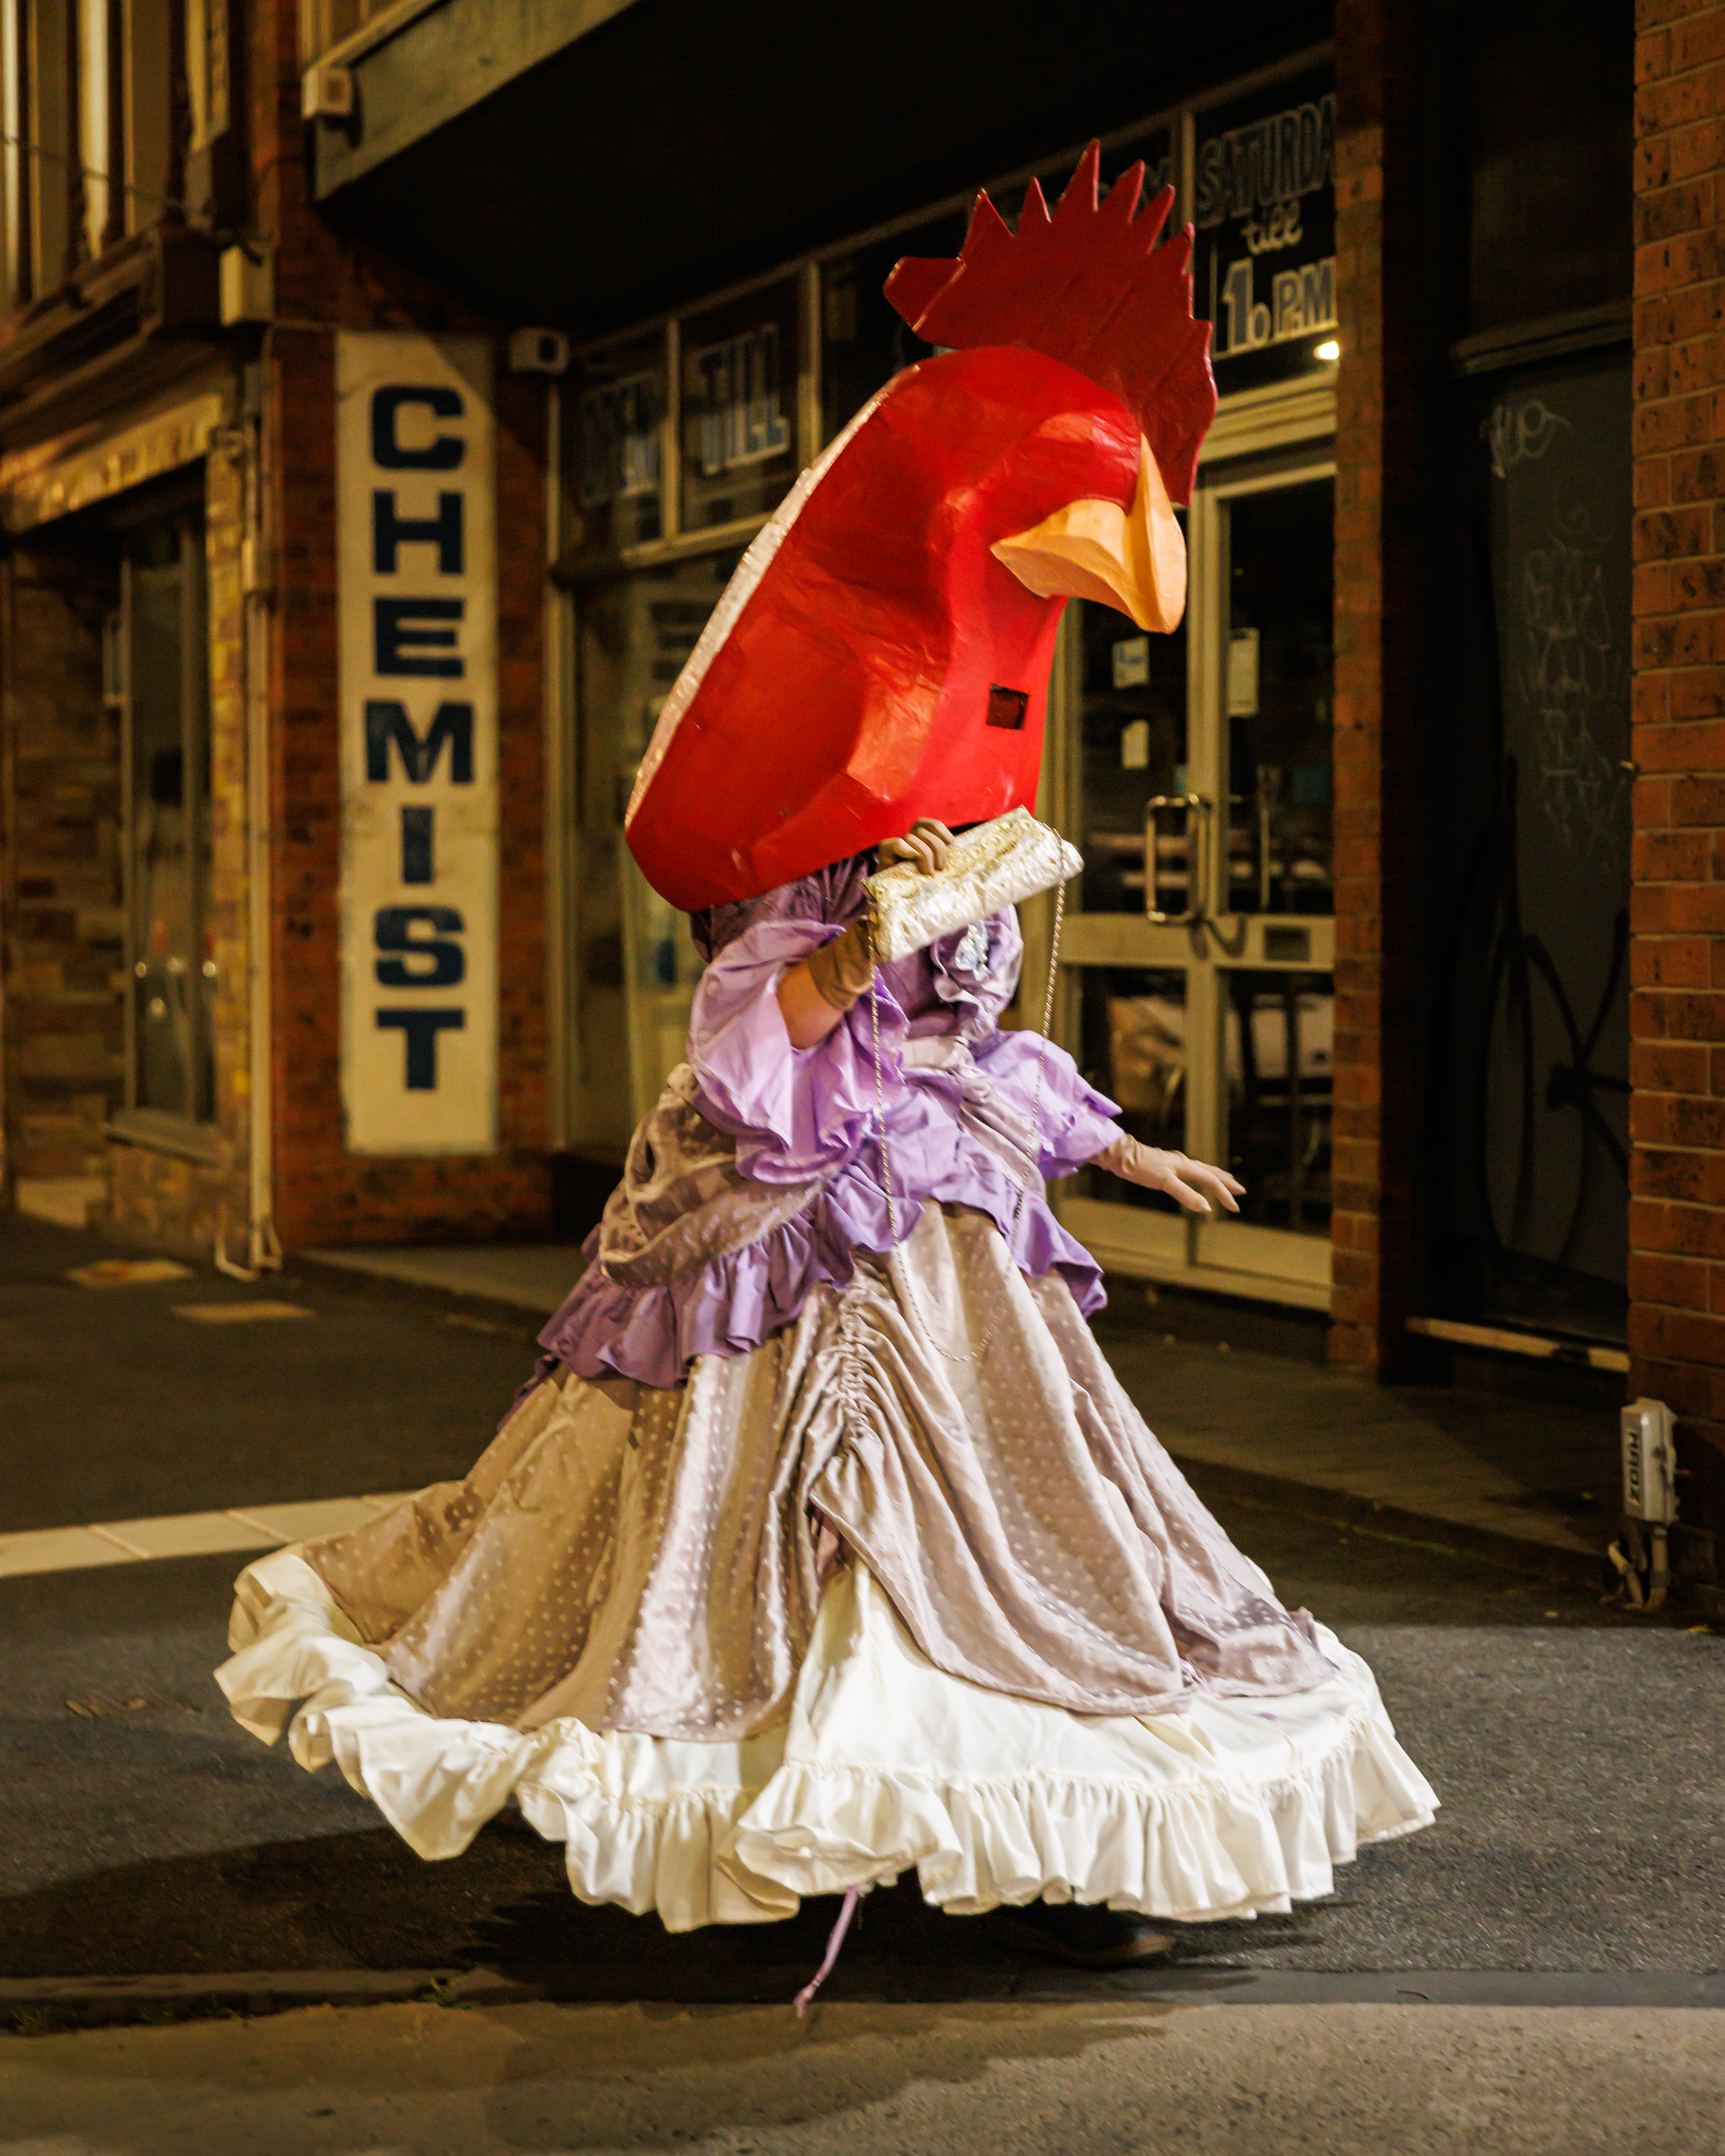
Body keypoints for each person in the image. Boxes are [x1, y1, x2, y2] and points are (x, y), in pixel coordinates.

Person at [218, 145, 1435, 1982]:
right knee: (753, 1545)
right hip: (793, 1232)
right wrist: (875, 934)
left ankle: (947, 1813)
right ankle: (790, 1809)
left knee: (1007, 1530)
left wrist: (1121, 1151)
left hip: (930, 1221)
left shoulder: (970, 779)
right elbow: (750, 1051)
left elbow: (970, 1062)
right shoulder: (842, 794)